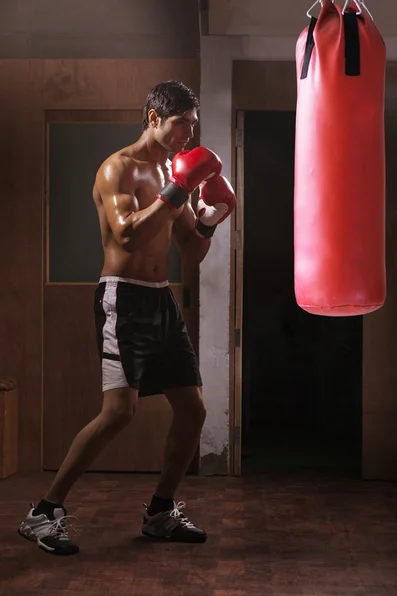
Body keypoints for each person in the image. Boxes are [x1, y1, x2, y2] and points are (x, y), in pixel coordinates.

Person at [18, 80, 236, 555]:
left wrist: (207, 221)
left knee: (193, 408)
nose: (188, 134)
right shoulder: (118, 169)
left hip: (162, 299)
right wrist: (178, 188)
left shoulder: (170, 171)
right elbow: (129, 238)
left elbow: (191, 255)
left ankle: (160, 512)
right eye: (182, 124)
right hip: (124, 300)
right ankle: (44, 513)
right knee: (119, 413)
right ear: (155, 118)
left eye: (193, 126)